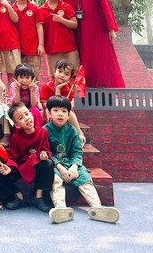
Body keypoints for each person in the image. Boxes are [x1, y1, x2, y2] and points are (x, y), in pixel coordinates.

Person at [45, 95, 119, 224]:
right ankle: (60, 207)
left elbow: (77, 152)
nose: (60, 114)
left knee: (84, 178)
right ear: (49, 113)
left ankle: (97, 207)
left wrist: (74, 166)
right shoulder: (45, 130)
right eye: (55, 110)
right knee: (56, 180)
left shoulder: (72, 130)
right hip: (55, 165)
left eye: (64, 111)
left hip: (72, 163)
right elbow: (46, 152)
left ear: (69, 115)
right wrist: (60, 168)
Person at [61, 0, 125, 88]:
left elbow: (105, 4)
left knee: (98, 59)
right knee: (81, 59)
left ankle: (103, 91)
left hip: (96, 28)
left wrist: (111, 28)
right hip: (76, 28)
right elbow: (63, 6)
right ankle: (83, 90)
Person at [0, 103, 54, 212]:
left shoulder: (43, 132)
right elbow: (13, 157)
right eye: (21, 118)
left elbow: (47, 150)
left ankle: (39, 195)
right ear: (17, 125)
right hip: (22, 168)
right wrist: (10, 168)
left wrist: (44, 155)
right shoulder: (16, 137)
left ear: (32, 114)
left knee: (48, 163)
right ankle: (19, 196)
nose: (27, 118)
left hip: (36, 166)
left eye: (27, 114)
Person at [39, 60, 85, 143]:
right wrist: (57, 91)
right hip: (48, 113)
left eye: (66, 74)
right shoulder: (46, 86)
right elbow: (44, 104)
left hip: (62, 115)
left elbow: (65, 106)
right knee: (50, 110)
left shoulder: (69, 89)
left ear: (70, 77)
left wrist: (58, 92)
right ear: (54, 72)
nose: (62, 75)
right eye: (60, 71)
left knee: (69, 112)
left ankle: (79, 134)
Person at [41, 0, 79, 76]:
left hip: (69, 48)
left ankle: (72, 92)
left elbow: (74, 24)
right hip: (51, 48)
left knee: (73, 74)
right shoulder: (40, 10)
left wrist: (61, 20)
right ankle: (56, 92)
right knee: (55, 77)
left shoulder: (66, 7)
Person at [13, 0, 46, 80]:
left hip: (33, 50)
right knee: (18, 76)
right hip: (16, 50)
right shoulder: (10, 8)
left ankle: (34, 96)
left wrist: (41, 45)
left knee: (34, 76)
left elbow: (39, 26)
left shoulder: (35, 8)